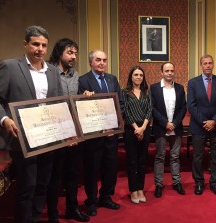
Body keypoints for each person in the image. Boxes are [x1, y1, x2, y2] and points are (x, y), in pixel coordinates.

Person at [0, 25, 62, 223]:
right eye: (35, 44)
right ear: (25, 44)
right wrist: (4, 120)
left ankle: (36, 218)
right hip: (21, 138)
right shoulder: (10, 66)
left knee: (42, 185)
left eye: (44, 45)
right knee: (27, 187)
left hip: (48, 139)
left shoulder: (54, 72)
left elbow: (58, 104)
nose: (40, 49)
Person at [46, 38, 90, 223]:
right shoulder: (47, 72)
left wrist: (84, 97)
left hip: (74, 133)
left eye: (75, 53)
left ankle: (72, 209)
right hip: (55, 133)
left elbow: (73, 104)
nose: (73, 57)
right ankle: (53, 214)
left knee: (72, 174)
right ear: (59, 53)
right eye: (69, 53)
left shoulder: (75, 75)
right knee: (54, 178)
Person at [78, 50, 124, 216]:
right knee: (92, 169)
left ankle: (106, 197)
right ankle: (91, 201)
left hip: (111, 134)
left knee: (110, 168)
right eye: (98, 60)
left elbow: (120, 103)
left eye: (104, 60)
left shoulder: (112, 79)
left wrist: (117, 124)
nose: (102, 63)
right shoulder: (83, 80)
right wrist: (84, 98)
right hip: (93, 136)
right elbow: (79, 108)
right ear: (91, 62)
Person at [187, 54, 216, 196]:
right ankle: (199, 182)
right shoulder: (193, 83)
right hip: (199, 126)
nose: (208, 65)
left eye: (210, 63)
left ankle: (214, 182)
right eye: (205, 63)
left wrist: (214, 121)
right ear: (201, 65)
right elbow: (191, 106)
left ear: (213, 64)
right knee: (198, 156)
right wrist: (204, 122)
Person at [150, 62, 187, 198]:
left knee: (175, 157)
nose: (170, 73)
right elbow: (152, 108)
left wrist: (175, 123)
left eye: (172, 70)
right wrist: (165, 123)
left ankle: (177, 182)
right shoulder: (154, 88)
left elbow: (183, 108)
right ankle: (158, 184)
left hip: (176, 128)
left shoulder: (180, 88)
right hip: (161, 128)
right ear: (162, 73)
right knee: (160, 157)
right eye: (167, 71)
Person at [123, 66, 152, 203]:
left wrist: (143, 127)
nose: (139, 77)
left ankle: (140, 188)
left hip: (145, 129)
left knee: (142, 160)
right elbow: (126, 112)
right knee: (132, 161)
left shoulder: (147, 92)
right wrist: (136, 128)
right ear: (131, 76)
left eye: (141, 74)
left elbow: (150, 110)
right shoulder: (125, 92)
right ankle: (133, 190)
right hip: (131, 129)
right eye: (136, 74)